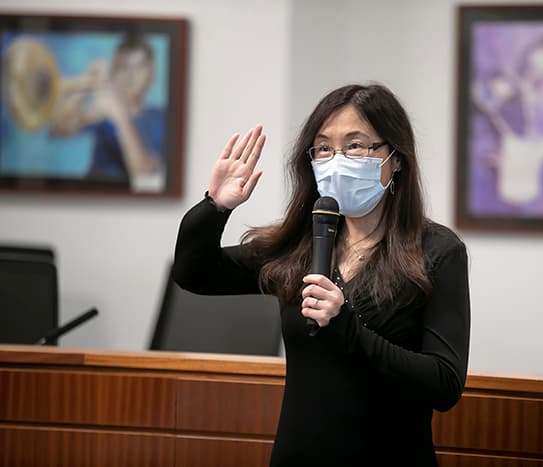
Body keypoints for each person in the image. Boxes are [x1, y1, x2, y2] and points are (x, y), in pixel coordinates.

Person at [173, 83, 470, 466]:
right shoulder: (301, 246)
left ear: (395, 158)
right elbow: (194, 274)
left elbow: (444, 384)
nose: (338, 158)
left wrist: (347, 327)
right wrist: (215, 206)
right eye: (325, 148)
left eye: (356, 145)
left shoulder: (436, 251)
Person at [49, 33, 165, 192]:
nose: (131, 76)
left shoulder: (162, 118)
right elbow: (60, 128)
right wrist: (86, 82)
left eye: (139, 67)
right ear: (114, 73)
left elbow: (145, 176)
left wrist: (119, 116)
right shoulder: (101, 114)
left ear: (152, 72)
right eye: (123, 68)